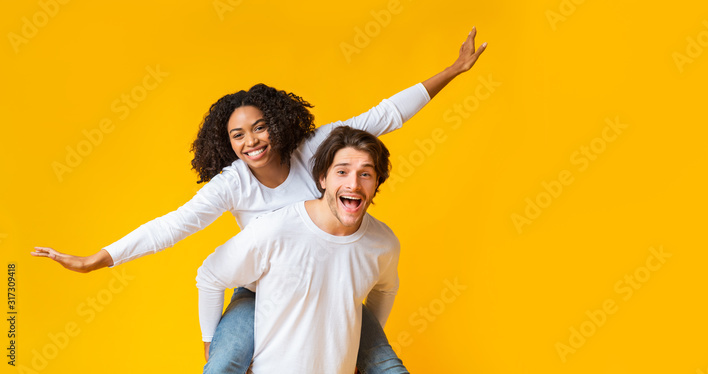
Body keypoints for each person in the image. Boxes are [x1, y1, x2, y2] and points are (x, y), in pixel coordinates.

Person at [32, 28, 488, 374]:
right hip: (262, 287)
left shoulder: (315, 147)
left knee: (386, 366)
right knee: (224, 363)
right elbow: (173, 226)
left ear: (278, 123)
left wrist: (453, 70)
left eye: (259, 127)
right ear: (226, 143)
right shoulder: (233, 184)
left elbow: (386, 115)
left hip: (331, 282)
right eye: (237, 135)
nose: (251, 141)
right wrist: (98, 259)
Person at [197, 126, 398, 374]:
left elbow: (386, 289)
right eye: (342, 172)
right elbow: (210, 275)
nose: (353, 184)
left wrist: (361, 348)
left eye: (365, 174)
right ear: (323, 179)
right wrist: (211, 342)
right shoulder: (275, 229)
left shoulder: (383, 243)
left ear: (377, 182)